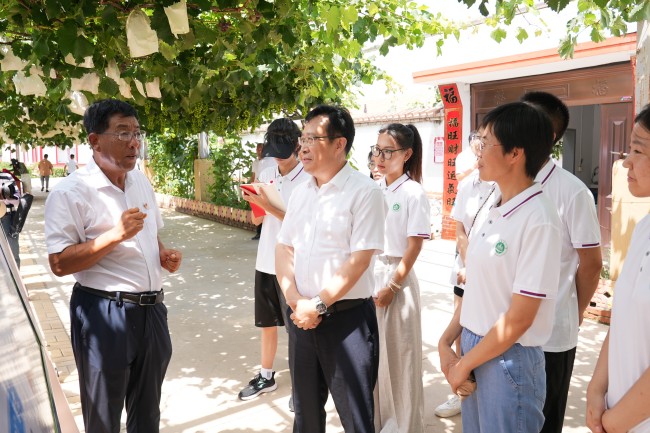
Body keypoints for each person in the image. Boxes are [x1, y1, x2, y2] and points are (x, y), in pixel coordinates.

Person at [44, 99, 182, 433]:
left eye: (137, 133)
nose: (134, 142)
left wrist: (162, 253)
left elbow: (149, 233)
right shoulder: (70, 192)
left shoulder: (139, 181)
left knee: (147, 415)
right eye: (123, 133)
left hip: (152, 313)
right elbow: (59, 263)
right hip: (104, 314)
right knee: (103, 418)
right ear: (95, 140)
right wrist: (115, 235)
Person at [438, 101, 562, 433]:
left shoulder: (539, 219)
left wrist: (463, 364)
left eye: (485, 142)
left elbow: (520, 318)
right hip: (476, 349)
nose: (477, 152)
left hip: (509, 360)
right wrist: (446, 341)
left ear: (514, 153)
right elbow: (478, 288)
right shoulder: (494, 206)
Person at [275, 105, 386, 433]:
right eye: (303, 138)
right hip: (301, 319)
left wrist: (318, 304)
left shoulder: (364, 192)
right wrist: (295, 300)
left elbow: (359, 260)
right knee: (305, 416)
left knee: (355, 418)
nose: (303, 147)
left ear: (340, 144)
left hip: (346, 323)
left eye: (313, 138)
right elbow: (284, 247)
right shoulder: (301, 192)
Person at [521, 91, 603, 433]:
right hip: (504, 330)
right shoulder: (501, 185)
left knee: (544, 419)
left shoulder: (573, 192)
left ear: (548, 135)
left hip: (552, 335)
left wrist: (575, 311)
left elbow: (592, 264)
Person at [586, 104, 650, 433]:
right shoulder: (644, 228)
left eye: (638, 150)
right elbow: (623, 317)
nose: (626, 161)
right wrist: (596, 389)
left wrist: (613, 423)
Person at [239, 118, 309, 403]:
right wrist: (255, 202)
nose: (278, 158)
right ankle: (266, 376)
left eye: (283, 152)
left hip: (294, 264)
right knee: (267, 323)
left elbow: (303, 226)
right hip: (266, 260)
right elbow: (256, 220)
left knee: (298, 327)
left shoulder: (307, 179)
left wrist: (270, 206)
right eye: (274, 152)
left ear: (297, 145)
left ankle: (303, 386)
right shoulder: (267, 172)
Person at [371, 123, 430, 432]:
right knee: (376, 359)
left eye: (388, 152)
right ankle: (380, 422)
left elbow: (414, 246)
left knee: (401, 359)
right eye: (377, 150)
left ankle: (405, 426)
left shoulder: (413, 193)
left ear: (406, 154)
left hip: (398, 279)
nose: (380, 158)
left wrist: (393, 286)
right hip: (371, 275)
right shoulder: (375, 188)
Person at [435, 142, 497, 418]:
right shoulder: (468, 186)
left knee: (486, 330)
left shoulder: (505, 188)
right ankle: (461, 390)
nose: (480, 152)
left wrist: (476, 268)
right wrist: (469, 262)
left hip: (488, 272)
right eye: (479, 143)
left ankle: (480, 389)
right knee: (462, 326)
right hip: (465, 266)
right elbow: (460, 228)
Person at [0, 166, 22, 267]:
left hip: (8, 218)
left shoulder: (6, 177)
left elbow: (18, 200)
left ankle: (15, 277)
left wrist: (5, 197)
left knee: (13, 254)